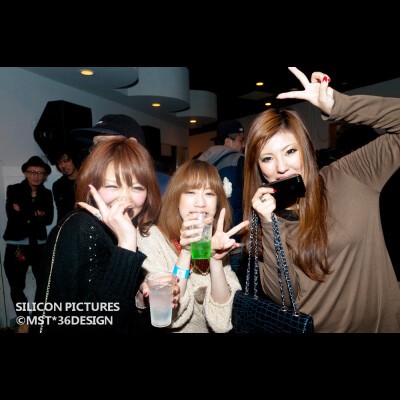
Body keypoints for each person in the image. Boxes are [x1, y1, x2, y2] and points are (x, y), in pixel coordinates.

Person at [242, 66, 400, 333]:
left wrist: (338, 105)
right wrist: (269, 226)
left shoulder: (350, 175)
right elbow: (284, 299)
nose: (281, 167)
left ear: (305, 149)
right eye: (268, 158)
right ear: (258, 168)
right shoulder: (267, 222)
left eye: (290, 151)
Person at [32, 136, 176, 333]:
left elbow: (123, 315)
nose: (126, 199)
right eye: (112, 186)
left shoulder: (122, 229)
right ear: (93, 186)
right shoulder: (81, 227)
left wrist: (140, 300)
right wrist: (126, 246)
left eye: (137, 187)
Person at [136, 159, 248, 333]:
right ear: (176, 198)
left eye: (209, 194)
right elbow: (169, 315)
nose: (200, 203)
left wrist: (215, 259)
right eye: (190, 192)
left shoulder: (216, 240)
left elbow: (221, 321)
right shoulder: (152, 237)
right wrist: (186, 253)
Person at [3, 156, 53, 332]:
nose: (36, 176)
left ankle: (40, 321)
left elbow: (49, 219)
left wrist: (24, 211)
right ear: (25, 173)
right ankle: (23, 321)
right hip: (16, 245)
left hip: (40, 245)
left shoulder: (47, 193)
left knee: (44, 285)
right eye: (32, 172)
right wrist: (37, 213)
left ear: (45, 176)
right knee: (16, 286)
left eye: (40, 173)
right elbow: (12, 215)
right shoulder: (13, 189)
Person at [71, 113, 170, 193]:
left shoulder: (165, 186)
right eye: (94, 146)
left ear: (132, 145)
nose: (95, 151)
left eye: (102, 143)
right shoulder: (95, 183)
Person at [199, 120, 246, 277]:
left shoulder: (199, 163)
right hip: (234, 242)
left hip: (204, 242)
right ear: (228, 142)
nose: (243, 145)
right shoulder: (239, 160)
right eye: (240, 140)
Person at [52, 149, 80, 223]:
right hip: (70, 223)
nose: (63, 166)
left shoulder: (87, 178)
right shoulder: (58, 185)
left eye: (66, 161)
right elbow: (61, 213)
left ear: (73, 160)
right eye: (59, 163)